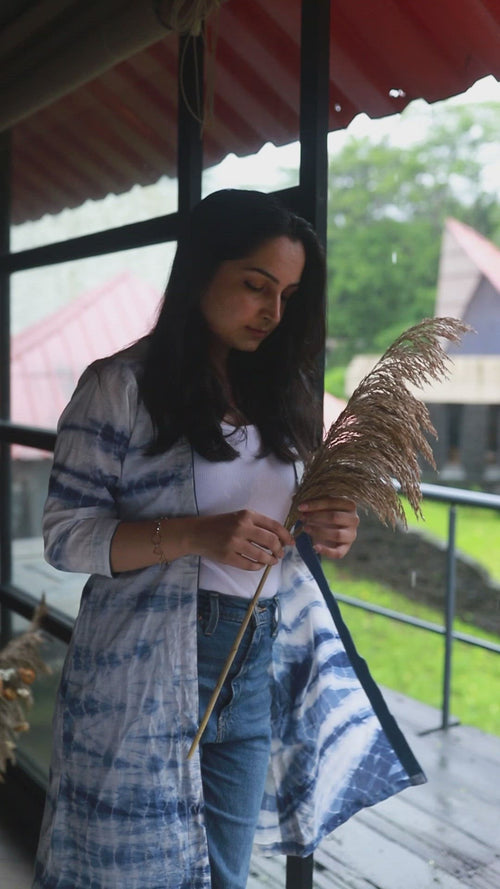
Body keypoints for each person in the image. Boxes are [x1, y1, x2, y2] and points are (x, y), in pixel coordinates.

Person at [32, 189, 425, 889]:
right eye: (255, 285)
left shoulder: (286, 396)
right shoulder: (119, 387)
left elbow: (279, 533)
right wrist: (192, 535)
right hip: (144, 664)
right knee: (130, 871)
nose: (273, 313)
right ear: (200, 270)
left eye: (289, 294)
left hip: (255, 660)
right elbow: (67, 536)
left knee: (225, 875)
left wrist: (330, 528)